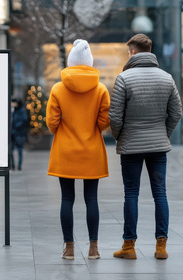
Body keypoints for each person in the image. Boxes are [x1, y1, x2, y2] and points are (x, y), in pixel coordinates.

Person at [109, 34, 182, 260]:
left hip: (131, 145)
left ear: (132, 52)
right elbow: (177, 112)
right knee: (160, 193)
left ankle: (129, 247)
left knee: (131, 193)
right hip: (158, 146)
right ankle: (161, 246)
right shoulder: (167, 78)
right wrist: (163, 134)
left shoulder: (124, 78)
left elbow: (115, 116)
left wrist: (120, 136)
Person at [46, 39, 110, 260]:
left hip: (65, 151)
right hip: (92, 151)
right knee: (91, 199)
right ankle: (93, 248)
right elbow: (104, 123)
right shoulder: (101, 89)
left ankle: (69, 248)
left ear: (71, 62)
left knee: (67, 200)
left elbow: (51, 123)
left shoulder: (57, 88)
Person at [11, 98, 29, 171]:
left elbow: (24, 121)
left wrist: (16, 126)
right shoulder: (13, 111)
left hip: (19, 133)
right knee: (11, 150)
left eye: (13, 102)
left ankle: (19, 166)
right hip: (13, 133)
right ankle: (13, 166)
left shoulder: (21, 111)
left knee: (19, 149)